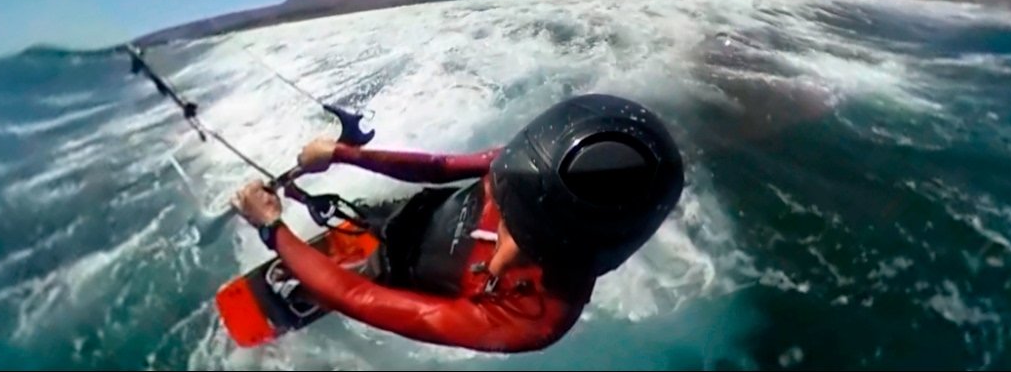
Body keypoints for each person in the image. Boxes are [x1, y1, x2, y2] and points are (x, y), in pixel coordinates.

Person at [230, 93, 685, 353]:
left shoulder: (533, 322)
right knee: (391, 219)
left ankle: (327, 277)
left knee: (364, 276)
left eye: (520, 236)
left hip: (404, 277)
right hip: (418, 215)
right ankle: (370, 234)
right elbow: (440, 166)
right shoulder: (527, 170)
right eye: (504, 210)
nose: (500, 244)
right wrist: (342, 153)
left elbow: (358, 297)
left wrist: (273, 229)